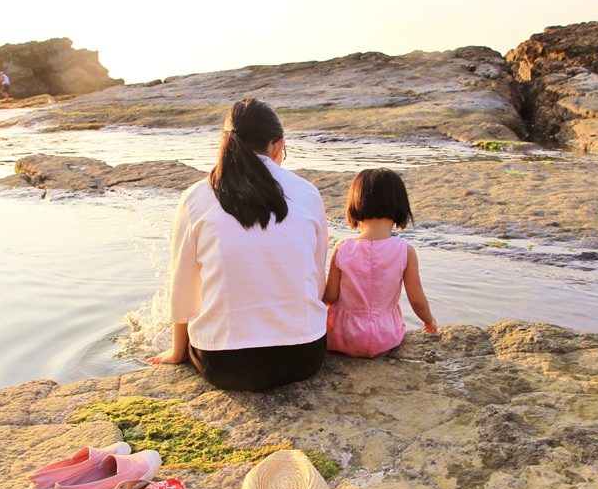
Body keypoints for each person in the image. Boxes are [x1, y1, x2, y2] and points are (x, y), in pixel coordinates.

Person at [149, 98, 329, 391]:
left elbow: (183, 285)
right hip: (303, 356)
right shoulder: (308, 193)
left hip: (226, 364)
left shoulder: (196, 197)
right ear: (278, 145)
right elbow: (316, 281)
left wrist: (177, 351)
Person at [323, 168, 437, 357]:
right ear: (400, 205)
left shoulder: (343, 248)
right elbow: (416, 300)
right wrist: (429, 321)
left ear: (355, 204)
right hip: (386, 337)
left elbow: (330, 296)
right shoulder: (405, 250)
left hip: (343, 336)